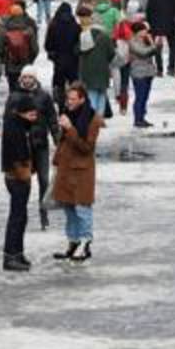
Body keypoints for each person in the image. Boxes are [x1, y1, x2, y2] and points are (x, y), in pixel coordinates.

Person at [53, 83, 106, 263]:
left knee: (82, 208)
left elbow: (86, 147)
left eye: (73, 99)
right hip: (66, 168)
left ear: (83, 99)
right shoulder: (68, 114)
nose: (69, 102)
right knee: (69, 208)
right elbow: (63, 142)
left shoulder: (93, 119)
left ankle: (85, 243)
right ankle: (73, 242)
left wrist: (70, 128)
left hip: (82, 170)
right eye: (68, 99)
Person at [11, 68, 60, 229]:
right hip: (22, 147)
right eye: (24, 77)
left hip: (41, 144)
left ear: (35, 79)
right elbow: (8, 119)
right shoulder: (15, 96)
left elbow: (53, 119)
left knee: (43, 180)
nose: (27, 80)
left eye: (30, 77)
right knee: (24, 182)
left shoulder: (44, 96)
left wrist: (57, 140)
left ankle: (43, 214)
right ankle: (21, 214)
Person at [1, 93, 35, 272]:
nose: (34, 117)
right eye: (31, 114)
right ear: (21, 113)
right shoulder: (15, 128)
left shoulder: (19, 124)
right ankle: (10, 255)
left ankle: (17, 252)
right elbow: (18, 156)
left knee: (21, 217)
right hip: (17, 177)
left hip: (17, 176)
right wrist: (26, 173)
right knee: (17, 217)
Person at [77, 5, 116, 116]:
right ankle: (99, 118)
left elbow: (78, 50)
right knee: (102, 95)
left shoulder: (84, 36)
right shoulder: (105, 37)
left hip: (87, 71)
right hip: (103, 70)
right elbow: (111, 54)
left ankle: (91, 118)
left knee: (91, 95)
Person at [0, 5, 39, 93]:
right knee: (26, 89)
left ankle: (13, 105)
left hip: (11, 65)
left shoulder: (5, 30)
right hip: (25, 64)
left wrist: (4, 59)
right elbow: (35, 49)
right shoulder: (29, 30)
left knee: (12, 89)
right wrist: (30, 60)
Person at [45, 3, 81, 101]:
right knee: (73, 81)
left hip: (58, 58)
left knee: (59, 81)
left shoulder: (53, 26)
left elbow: (48, 44)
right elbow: (79, 43)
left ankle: (60, 100)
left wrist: (52, 53)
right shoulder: (76, 26)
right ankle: (74, 100)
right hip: (73, 59)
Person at [146, 0, 175, 76]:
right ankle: (171, 68)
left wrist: (149, 23)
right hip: (170, 25)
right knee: (173, 46)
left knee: (157, 47)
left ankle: (159, 69)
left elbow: (149, 10)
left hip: (156, 25)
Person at [128, 21, 159, 128]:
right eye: (143, 30)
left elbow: (154, 52)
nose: (146, 32)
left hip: (148, 72)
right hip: (138, 73)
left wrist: (153, 44)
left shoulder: (145, 40)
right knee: (140, 97)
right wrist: (153, 45)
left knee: (145, 96)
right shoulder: (132, 42)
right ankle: (137, 119)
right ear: (137, 32)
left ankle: (142, 117)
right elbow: (143, 52)